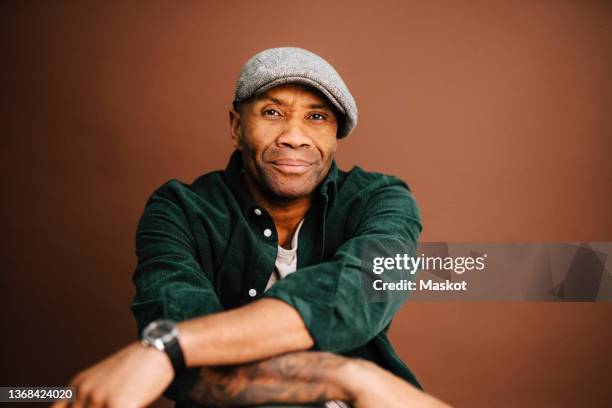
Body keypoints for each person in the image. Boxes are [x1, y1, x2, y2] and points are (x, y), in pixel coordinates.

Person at [53, 47, 449, 408]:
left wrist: (169, 348)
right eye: (272, 113)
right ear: (236, 126)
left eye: (317, 117)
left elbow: (356, 297)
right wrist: (351, 378)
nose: (294, 137)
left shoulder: (381, 199)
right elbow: (186, 357)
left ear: (335, 134)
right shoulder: (179, 210)